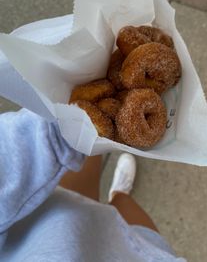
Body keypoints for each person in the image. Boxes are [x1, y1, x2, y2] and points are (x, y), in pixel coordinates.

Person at [0, 108, 186, 261]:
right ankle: (118, 193)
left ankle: (117, 193)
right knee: (125, 205)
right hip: (130, 254)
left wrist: (64, 129)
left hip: (48, 221)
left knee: (90, 147)